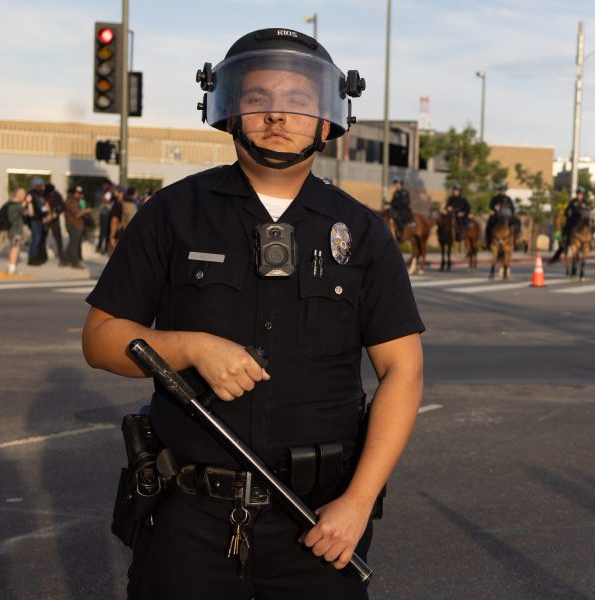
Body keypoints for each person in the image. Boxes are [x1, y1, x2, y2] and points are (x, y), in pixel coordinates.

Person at [81, 28, 424, 599]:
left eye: (297, 101)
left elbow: (403, 371)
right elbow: (100, 339)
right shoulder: (172, 213)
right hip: (187, 523)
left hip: (319, 522)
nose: (276, 116)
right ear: (227, 108)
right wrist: (188, 347)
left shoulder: (363, 233)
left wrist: (359, 503)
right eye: (258, 98)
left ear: (328, 119)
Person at [549, 187, 588, 264]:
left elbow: (589, 211)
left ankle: (591, 242)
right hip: (573, 221)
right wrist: (569, 214)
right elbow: (566, 211)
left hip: (582, 221)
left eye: (581, 194)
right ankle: (565, 240)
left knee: (589, 227)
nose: (579, 196)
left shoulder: (585, 203)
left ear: (583, 195)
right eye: (578, 194)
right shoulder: (573, 202)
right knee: (567, 227)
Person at [1, 188, 30, 275]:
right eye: (23, 195)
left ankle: (10, 266)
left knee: (12, 248)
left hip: (10, 230)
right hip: (16, 231)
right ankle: (12, 269)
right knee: (15, 248)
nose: (24, 197)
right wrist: (28, 202)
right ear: (19, 195)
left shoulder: (9, 204)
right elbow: (27, 213)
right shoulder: (17, 206)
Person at [63, 185, 92, 269]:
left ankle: (64, 260)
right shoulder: (71, 201)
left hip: (78, 225)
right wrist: (86, 211)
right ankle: (75, 263)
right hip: (74, 225)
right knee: (74, 245)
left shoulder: (76, 201)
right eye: (78, 193)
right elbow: (77, 214)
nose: (80, 195)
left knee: (72, 244)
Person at [486, 182, 518, 247]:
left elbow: (512, 208)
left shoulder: (508, 199)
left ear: (505, 191)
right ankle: (489, 240)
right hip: (497, 215)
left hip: (507, 216)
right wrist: (495, 207)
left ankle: (514, 241)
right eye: (501, 190)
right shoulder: (495, 198)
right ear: (499, 190)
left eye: (504, 190)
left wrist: (512, 214)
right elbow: (491, 205)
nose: (502, 191)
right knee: (489, 223)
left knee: (516, 223)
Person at [43, 183, 66, 266]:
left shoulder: (57, 195)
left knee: (58, 238)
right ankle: (43, 256)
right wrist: (46, 213)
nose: (51, 193)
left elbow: (62, 206)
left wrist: (57, 213)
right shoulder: (44, 195)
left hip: (55, 219)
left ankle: (62, 258)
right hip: (46, 219)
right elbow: (41, 207)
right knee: (43, 237)